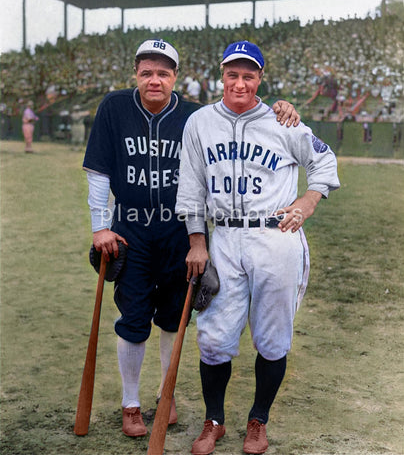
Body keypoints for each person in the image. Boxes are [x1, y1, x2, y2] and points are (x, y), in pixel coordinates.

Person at [82, 38, 301, 439]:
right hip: (129, 229)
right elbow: (98, 172)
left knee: (173, 317)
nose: (154, 80)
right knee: (132, 320)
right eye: (147, 72)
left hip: (178, 231)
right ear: (136, 73)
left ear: (176, 78)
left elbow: (241, 114)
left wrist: (282, 106)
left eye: (163, 73)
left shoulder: (195, 116)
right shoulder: (114, 107)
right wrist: (100, 226)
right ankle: (131, 403)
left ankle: (166, 396)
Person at [175, 40, 340, 455]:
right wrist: (197, 241)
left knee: (272, 337)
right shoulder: (199, 122)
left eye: (249, 75)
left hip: (275, 237)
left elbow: (324, 161)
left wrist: (307, 201)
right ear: (222, 75)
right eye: (233, 74)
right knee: (213, 338)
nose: (240, 82)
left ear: (260, 79)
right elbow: (191, 185)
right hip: (225, 237)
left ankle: (258, 420)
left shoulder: (284, 122)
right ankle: (214, 420)